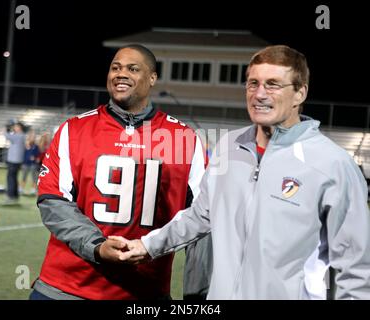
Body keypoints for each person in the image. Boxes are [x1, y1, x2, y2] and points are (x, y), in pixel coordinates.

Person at [116, 45, 370, 300]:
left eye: (272, 84)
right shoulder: (229, 146)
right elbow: (199, 216)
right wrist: (147, 245)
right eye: (252, 83)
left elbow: (355, 269)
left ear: (299, 94)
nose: (259, 94)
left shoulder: (332, 165)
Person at [30, 44, 207, 300]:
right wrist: (97, 247)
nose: (121, 74)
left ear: (152, 78)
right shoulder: (74, 130)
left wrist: (198, 298)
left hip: (143, 293)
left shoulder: (184, 139)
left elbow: (202, 219)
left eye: (133, 69)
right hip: (65, 289)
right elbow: (53, 201)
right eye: (115, 67)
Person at [4, 121, 26, 204]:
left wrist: (5, 129)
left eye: (16, 126)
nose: (14, 128)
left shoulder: (19, 135)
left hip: (14, 160)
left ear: (20, 127)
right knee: (14, 178)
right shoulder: (21, 135)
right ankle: (15, 195)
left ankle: (10, 196)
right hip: (17, 160)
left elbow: (7, 135)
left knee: (10, 178)